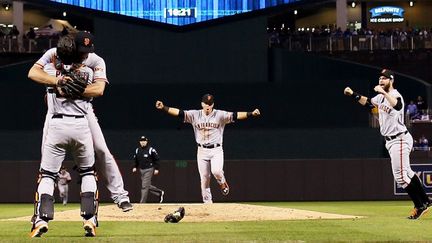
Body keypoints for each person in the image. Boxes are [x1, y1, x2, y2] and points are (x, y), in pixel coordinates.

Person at [28, 31, 133, 213]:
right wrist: (58, 81)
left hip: (84, 112)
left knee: (102, 150)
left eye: (88, 49)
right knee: (47, 158)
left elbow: (99, 89)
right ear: (72, 46)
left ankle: (120, 196)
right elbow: (32, 73)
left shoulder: (95, 61)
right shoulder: (55, 53)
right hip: (54, 112)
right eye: (82, 49)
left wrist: (74, 89)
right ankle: (41, 209)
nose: (85, 53)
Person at [28, 34, 98, 237]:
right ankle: (89, 219)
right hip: (81, 123)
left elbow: (33, 73)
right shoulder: (87, 70)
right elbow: (97, 90)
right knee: (87, 173)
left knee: (48, 175)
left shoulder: (50, 66)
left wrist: (57, 81)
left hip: (57, 124)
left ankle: (41, 220)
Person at [344, 69, 431, 219]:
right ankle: (426, 201)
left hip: (400, 138)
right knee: (408, 173)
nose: (381, 80)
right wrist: (353, 94)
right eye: (379, 78)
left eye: (384, 78)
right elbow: (369, 104)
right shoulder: (379, 98)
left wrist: (383, 93)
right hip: (391, 141)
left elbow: (397, 106)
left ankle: (419, 205)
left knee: (400, 177)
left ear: (391, 80)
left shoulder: (396, 96)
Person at [155, 94, 261, 203]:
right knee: (204, 178)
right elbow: (179, 113)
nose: (208, 106)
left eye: (210, 104)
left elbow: (235, 115)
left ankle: (222, 182)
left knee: (217, 171)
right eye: (206, 103)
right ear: (202, 104)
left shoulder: (220, 115)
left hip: (216, 149)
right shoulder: (194, 115)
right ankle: (207, 203)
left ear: (213, 104)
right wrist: (164, 107)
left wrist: (251, 114)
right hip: (201, 150)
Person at [132, 136, 164, 203]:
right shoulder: (137, 150)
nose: (143, 142)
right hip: (141, 170)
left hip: (149, 169)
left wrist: (156, 168)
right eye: (141, 141)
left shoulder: (150, 149)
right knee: (146, 185)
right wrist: (135, 167)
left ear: (146, 142)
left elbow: (157, 159)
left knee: (144, 186)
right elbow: (136, 160)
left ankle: (142, 203)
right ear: (140, 142)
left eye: (144, 141)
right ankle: (159, 192)